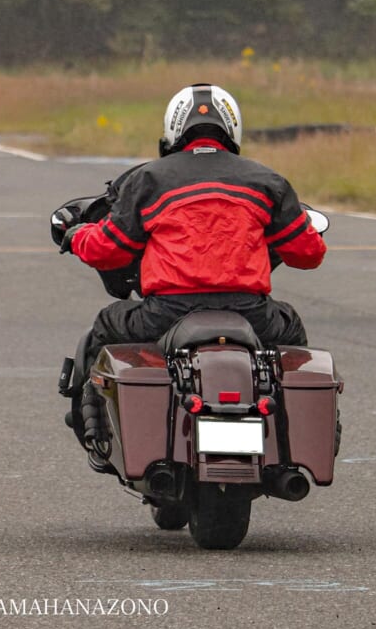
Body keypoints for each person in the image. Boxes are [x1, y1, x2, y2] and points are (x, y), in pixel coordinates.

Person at [59, 83, 326, 461]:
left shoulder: (148, 180)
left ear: (172, 130)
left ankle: (94, 433)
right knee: (293, 333)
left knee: (103, 327)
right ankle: (289, 439)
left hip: (165, 312)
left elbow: (109, 249)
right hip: (250, 312)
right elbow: (308, 254)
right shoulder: (267, 181)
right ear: (233, 130)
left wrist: (78, 236)